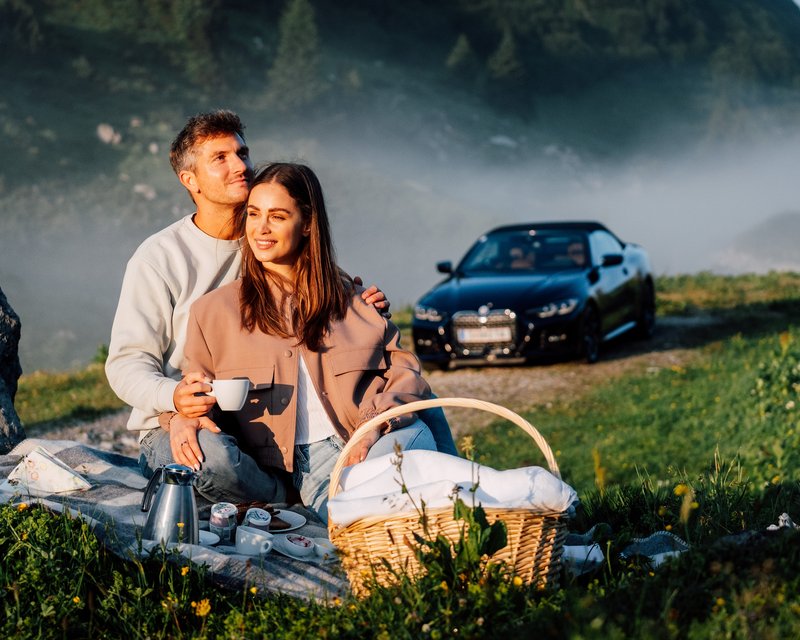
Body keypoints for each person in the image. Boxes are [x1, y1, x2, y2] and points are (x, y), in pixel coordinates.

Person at [106, 110, 391, 504]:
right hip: (184, 420)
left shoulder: (265, 232)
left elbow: (318, 278)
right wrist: (175, 402)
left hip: (266, 420)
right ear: (190, 180)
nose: (240, 166)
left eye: (242, 152)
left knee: (420, 411)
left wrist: (358, 305)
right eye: (219, 158)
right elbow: (124, 364)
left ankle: (468, 506)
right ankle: (283, 499)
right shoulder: (159, 259)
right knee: (210, 461)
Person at [169, 163, 438, 522]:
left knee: (412, 449)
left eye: (277, 216)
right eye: (253, 214)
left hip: (366, 442)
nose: (261, 229)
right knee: (204, 456)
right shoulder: (213, 311)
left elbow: (405, 372)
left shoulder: (355, 300)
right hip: (281, 469)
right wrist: (178, 415)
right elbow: (198, 392)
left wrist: (372, 427)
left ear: (307, 223)